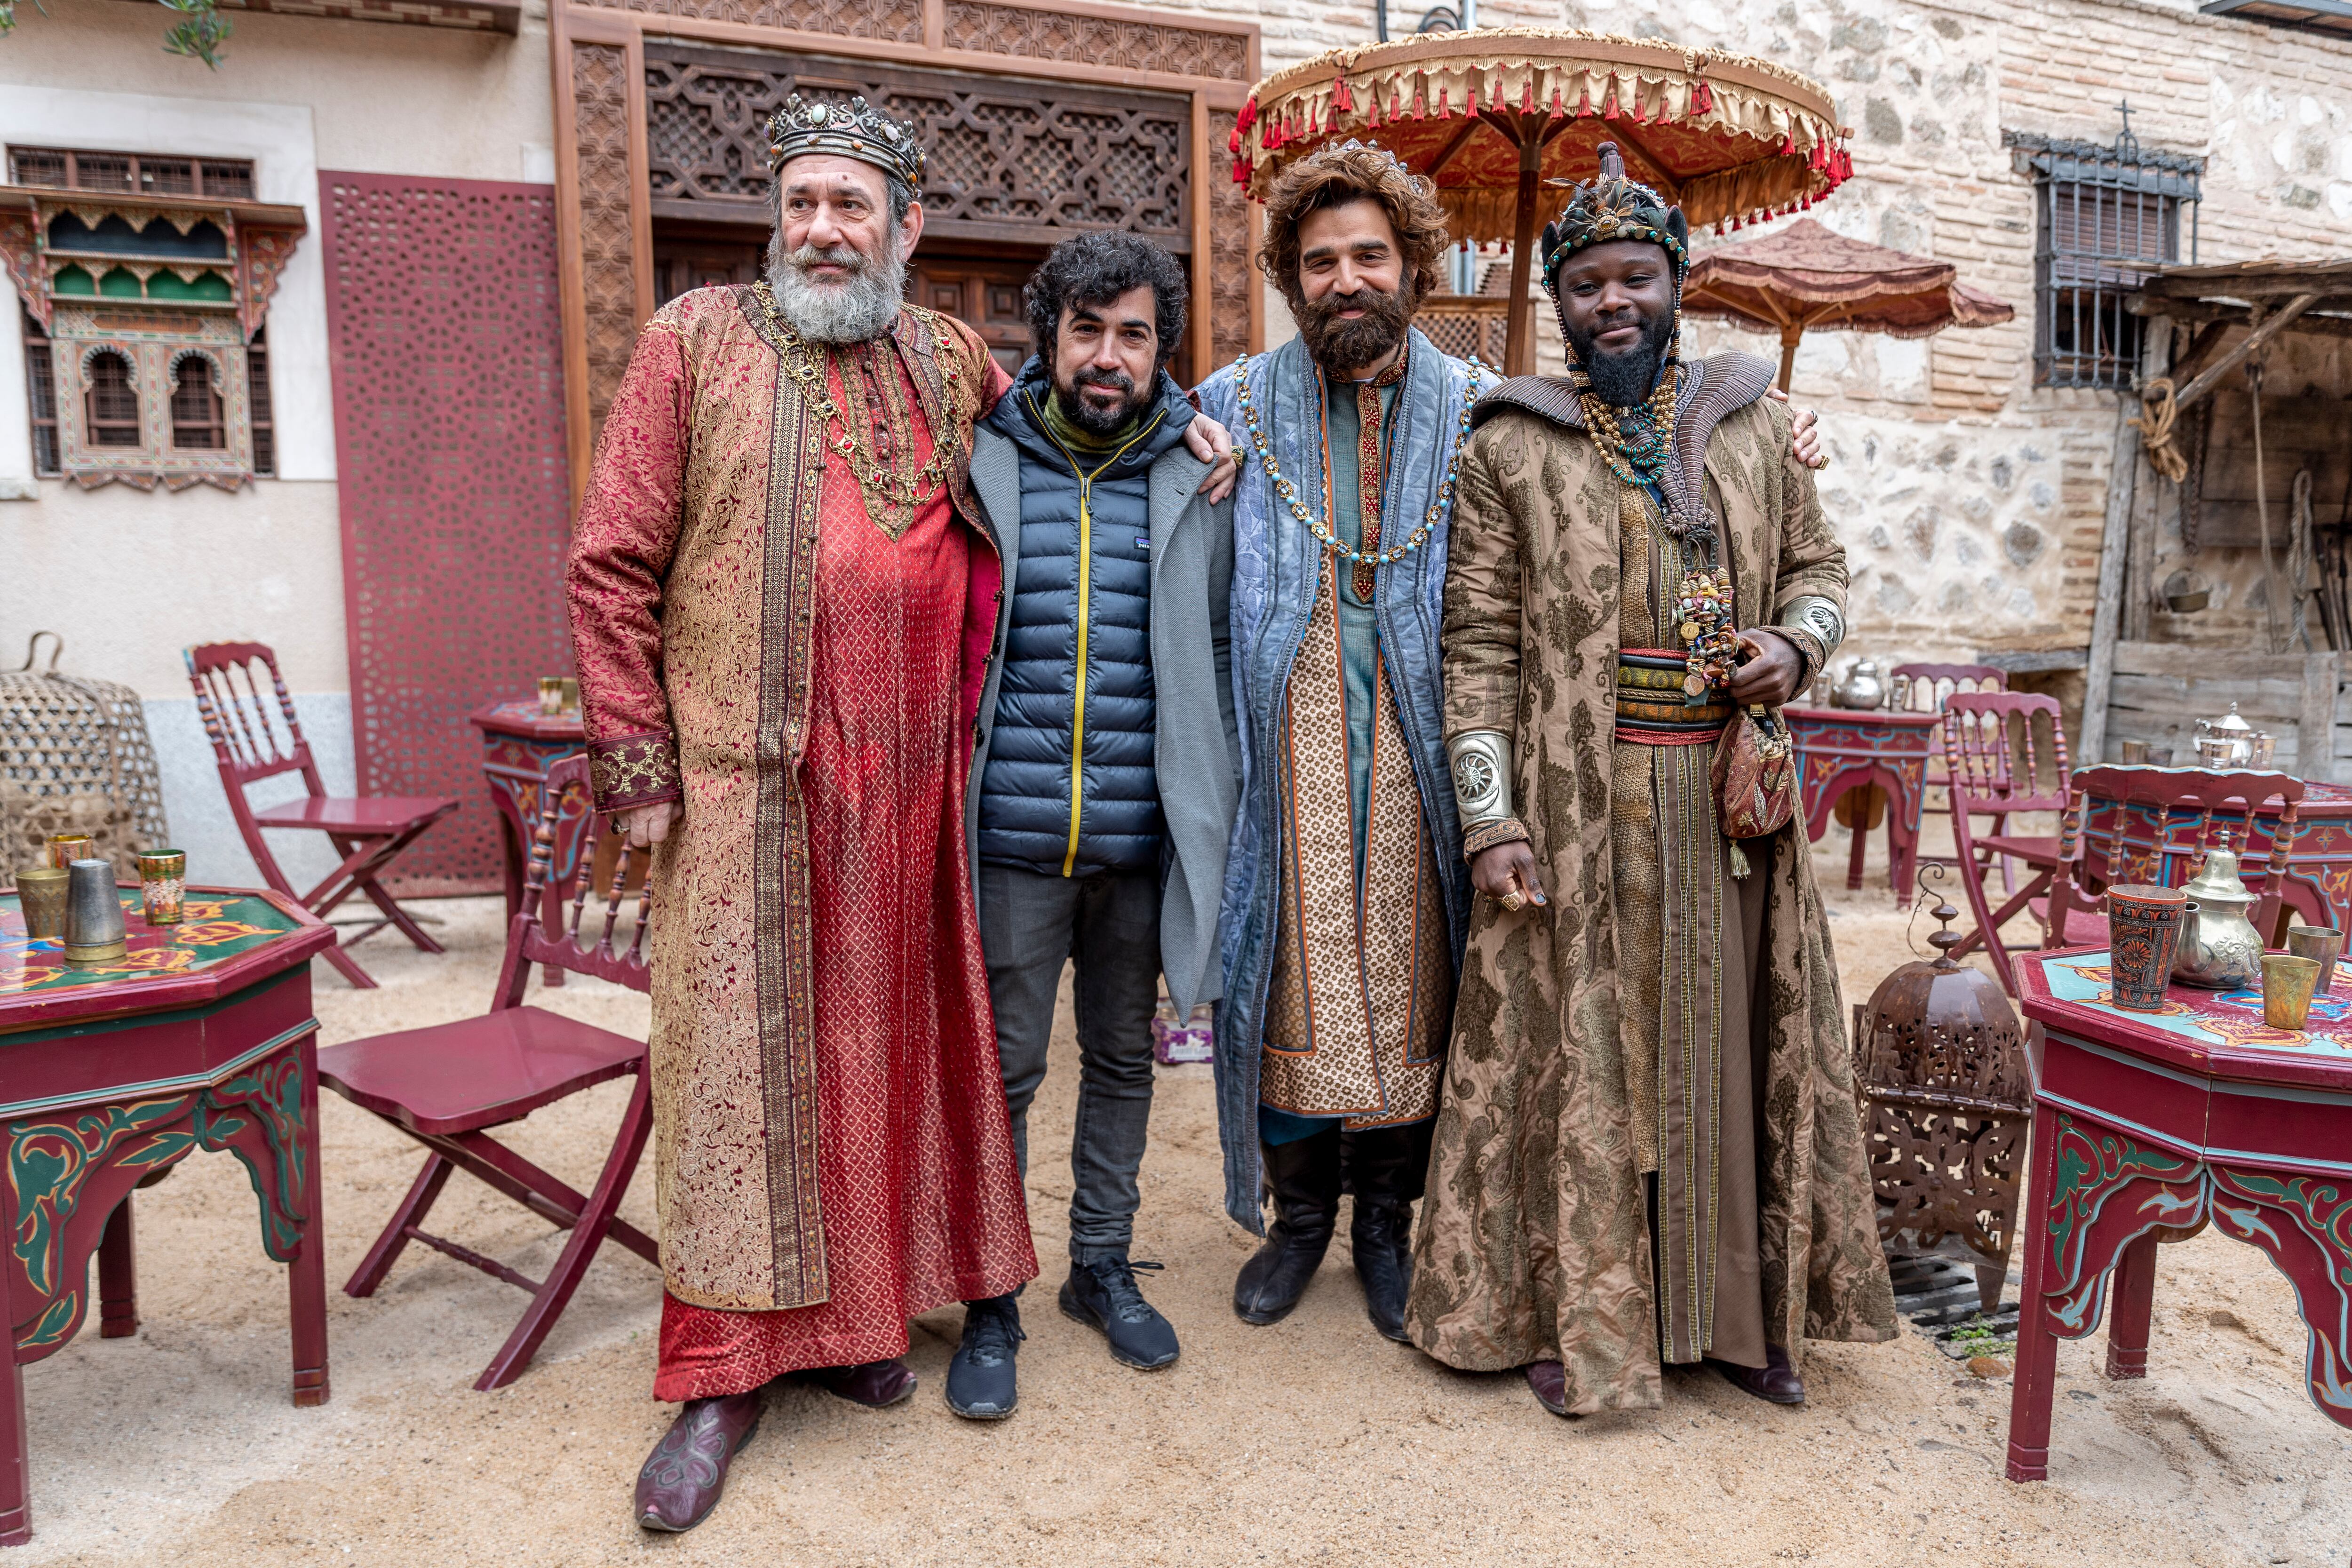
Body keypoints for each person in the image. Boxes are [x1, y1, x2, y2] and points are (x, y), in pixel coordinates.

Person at [566, 95, 1232, 1533]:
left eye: (850, 205)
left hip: (917, 801)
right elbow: (610, 564)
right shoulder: (692, 342)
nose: (822, 227)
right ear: (777, 215)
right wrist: (641, 770)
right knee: (741, 1076)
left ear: (903, 229)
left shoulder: (945, 359)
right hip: (745, 798)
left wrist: (1206, 435)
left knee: (882, 1061)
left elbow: (1082, 415)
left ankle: (857, 1324)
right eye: (802, 200)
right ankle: (723, 1376)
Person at [1405, 143, 1897, 1418]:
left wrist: (1796, 644)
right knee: (1587, 1066)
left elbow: (1825, 571)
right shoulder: (1507, 445)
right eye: (1584, 284)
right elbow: (1475, 650)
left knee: (1727, 1055)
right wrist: (1488, 818)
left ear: (1676, 281)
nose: (1610, 301)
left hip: (1728, 809)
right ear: (1560, 303)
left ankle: (1739, 1317)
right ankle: (1580, 1312)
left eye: (1634, 275)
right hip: (1574, 815)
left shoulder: (1754, 424)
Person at [1189, 143, 1481, 1344]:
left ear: (1412, 263)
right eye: (1318, 262)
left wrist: (1757, 404)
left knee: (1419, 978)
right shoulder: (1223, 407)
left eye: (1369, 254)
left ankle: (1385, 1221)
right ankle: (1298, 1217)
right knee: (1289, 971)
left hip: (1424, 737)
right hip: (1284, 737)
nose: (1344, 279)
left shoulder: (1481, 409)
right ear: (1289, 277)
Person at [947, 230, 1240, 1419]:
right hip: (1013, 837)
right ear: (1048, 336)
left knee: (1122, 1060)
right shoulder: (979, 458)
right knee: (1005, 1071)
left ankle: (1101, 1263)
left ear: (1162, 351)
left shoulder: (1197, 469)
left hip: (1138, 842)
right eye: (1088, 330)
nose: (1108, 356)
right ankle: (991, 1292)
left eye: (1134, 334)